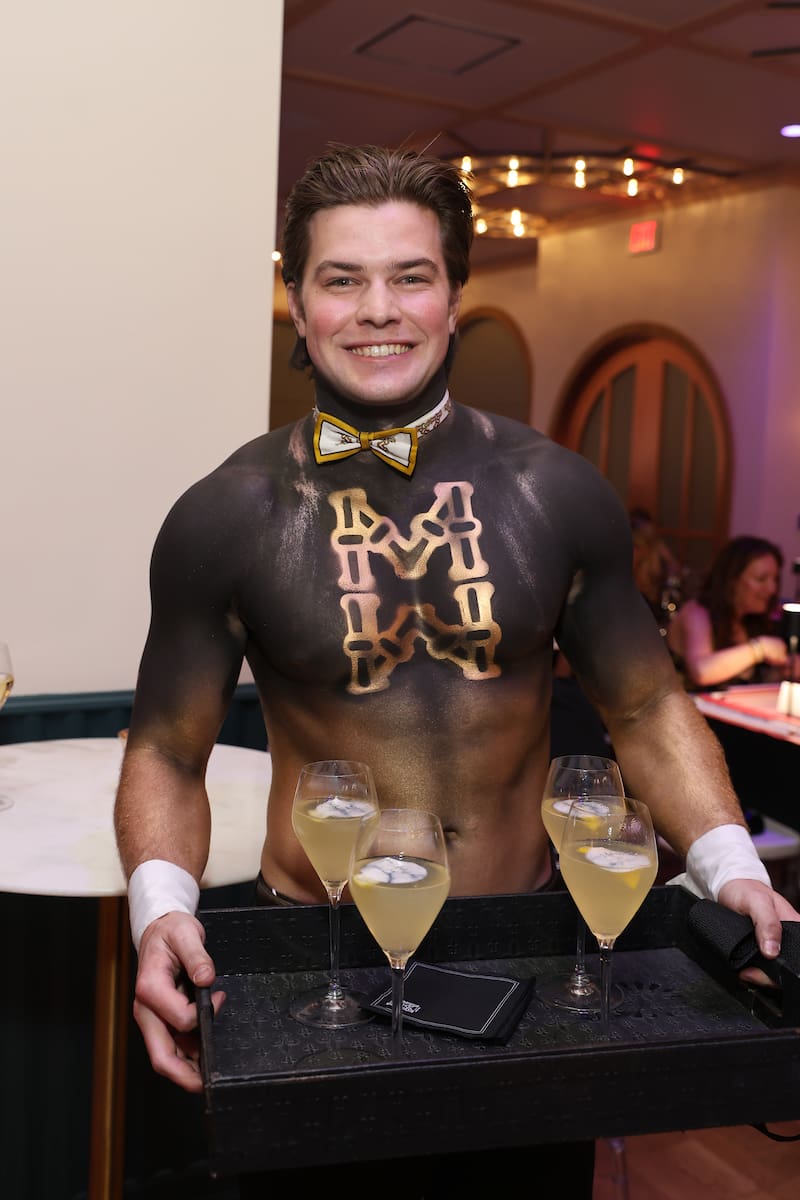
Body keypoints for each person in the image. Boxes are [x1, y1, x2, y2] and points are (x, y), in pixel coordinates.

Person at [113, 144, 798, 1195]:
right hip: (320, 958)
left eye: (409, 276)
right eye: (341, 279)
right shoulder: (225, 515)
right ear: (297, 301)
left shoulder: (557, 491)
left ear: (454, 298)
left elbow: (646, 703)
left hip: (531, 952)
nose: (375, 309)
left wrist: (731, 869)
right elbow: (166, 746)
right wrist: (159, 909)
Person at [666, 534, 789, 690]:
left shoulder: (751, 620)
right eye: (761, 579)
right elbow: (702, 671)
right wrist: (759, 649)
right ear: (733, 580)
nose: (772, 589)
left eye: (775, 579)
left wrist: (786, 667)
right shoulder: (696, 612)